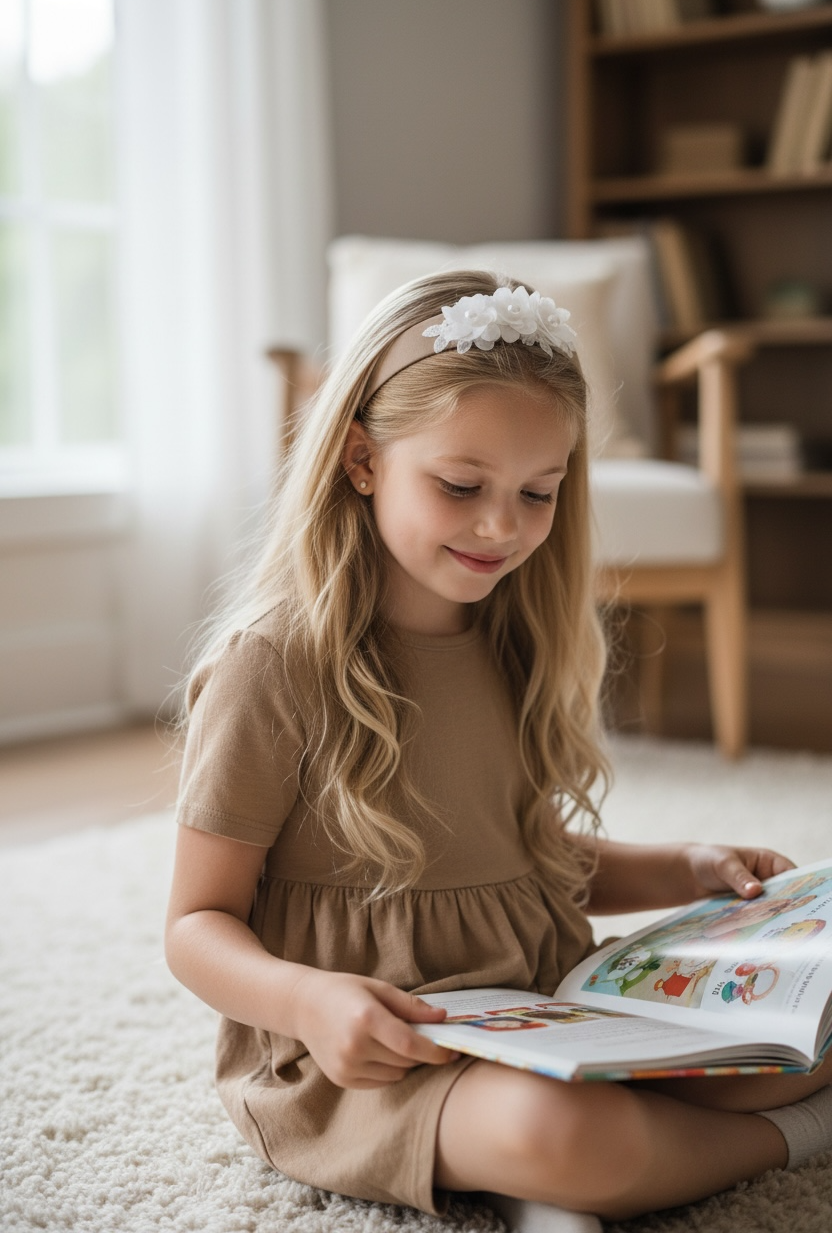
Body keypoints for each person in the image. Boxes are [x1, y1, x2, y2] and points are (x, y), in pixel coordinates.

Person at [165, 270, 832, 1224]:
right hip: (368, 1055)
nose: (502, 526)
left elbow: (522, 859)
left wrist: (683, 866)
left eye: (538, 492)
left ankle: (579, 1168)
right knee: (558, 1137)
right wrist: (311, 1003)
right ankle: (778, 1140)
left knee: (789, 1041)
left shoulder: (511, 639)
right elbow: (196, 927)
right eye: (460, 486)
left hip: (542, 1005)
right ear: (361, 460)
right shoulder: (271, 667)